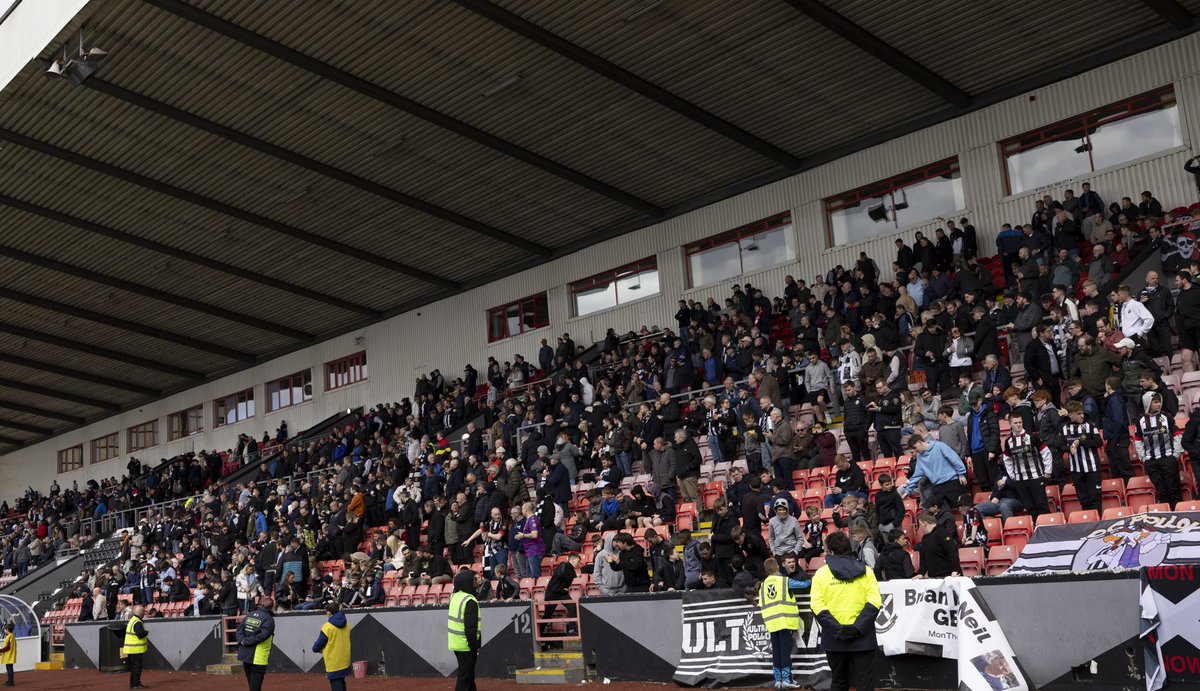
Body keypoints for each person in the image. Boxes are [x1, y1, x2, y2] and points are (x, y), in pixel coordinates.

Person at [811, 532, 882, 691]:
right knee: (865, 684)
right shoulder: (866, 571)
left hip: (835, 639)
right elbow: (874, 602)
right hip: (862, 639)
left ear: (830, 550)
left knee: (839, 682)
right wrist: (856, 628)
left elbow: (817, 605)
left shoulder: (821, 574)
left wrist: (837, 630)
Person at [756, 557, 811, 690]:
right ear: (777, 568)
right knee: (785, 652)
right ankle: (787, 680)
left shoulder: (762, 585)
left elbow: (762, 604)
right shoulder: (784, 581)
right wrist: (811, 579)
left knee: (777, 652)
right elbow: (804, 585)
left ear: (766, 570)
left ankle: (778, 681)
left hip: (771, 622)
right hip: (785, 621)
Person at [447, 569, 481, 691]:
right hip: (466, 645)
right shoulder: (470, 601)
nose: (477, 581)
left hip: (457, 643)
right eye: (474, 579)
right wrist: (474, 645)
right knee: (464, 678)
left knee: (468, 675)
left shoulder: (455, 597)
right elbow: (470, 628)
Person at [235, 597, 276, 691]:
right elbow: (263, 636)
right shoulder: (268, 619)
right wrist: (246, 641)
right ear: (272, 607)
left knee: (252, 685)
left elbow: (239, 629)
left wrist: (242, 641)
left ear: (261, 604)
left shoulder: (250, 614)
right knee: (255, 686)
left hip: (245, 655)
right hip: (258, 658)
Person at [312, 602, 352, 691]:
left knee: (336, 686)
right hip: (344, 660)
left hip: (333, 661)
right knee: (341, 683)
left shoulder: (328, 627)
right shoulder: (347, 625)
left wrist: (316, 649)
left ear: (329, 612)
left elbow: (318, 645)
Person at [124, 604, 149, 689]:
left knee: (133, 668)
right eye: (143, 612)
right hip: (136, 649)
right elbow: (140, 634)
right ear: (141, 613)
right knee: (137, 667)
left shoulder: (132, 620)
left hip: (131, 649)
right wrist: (146, 632)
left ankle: (133, 684)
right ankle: (136, 684)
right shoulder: (138, 622)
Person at [0, 623, 14, 687]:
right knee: (9, 668)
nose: (4, 631)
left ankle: (10, 682)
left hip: (9, 655)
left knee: (9, 669)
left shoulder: (10, 636)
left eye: (5, 629)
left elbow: (8, 647)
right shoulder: (10, 636)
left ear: (7, 629)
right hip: (8, 655)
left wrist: (1, 650)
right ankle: (10, 681)